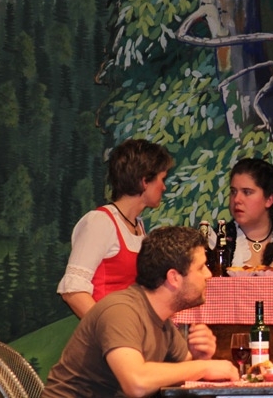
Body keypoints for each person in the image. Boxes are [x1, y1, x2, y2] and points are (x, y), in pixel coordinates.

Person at [43, 226, 239, 397]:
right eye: (201, 267)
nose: (208, 274)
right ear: (174, 278)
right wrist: (203, 367)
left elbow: (180, 373)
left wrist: (198, 356)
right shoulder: (121, 311)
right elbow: (136, 384)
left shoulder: (163, 322)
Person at [57, 138, 174, 318]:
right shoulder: (100, 222)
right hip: (109, 331)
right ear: (145, 181)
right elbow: (73, 291)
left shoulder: (138, 225)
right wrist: (110, 328)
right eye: (162, 179)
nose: (164, 187)